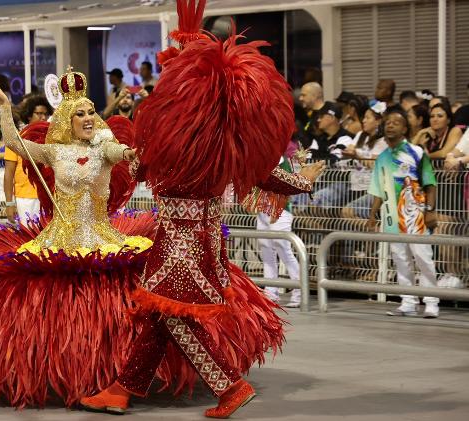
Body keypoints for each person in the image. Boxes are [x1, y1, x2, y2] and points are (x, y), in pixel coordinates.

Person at [81, 1, 324, 417]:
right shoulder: (220, 148)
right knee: (160, 318)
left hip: (179, 250)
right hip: (202, 246)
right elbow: (265, 175)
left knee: (175, 318)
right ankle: (122, 389)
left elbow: (133, 166)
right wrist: (303, 181)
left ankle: (229, 386)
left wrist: (104, 149)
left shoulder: (170, 145)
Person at [0, 70, 158, 408]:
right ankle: (63, 368)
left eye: (91, 112)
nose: (89, 118)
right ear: (67, 120)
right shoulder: (55, 153)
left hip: (101, 237)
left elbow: (121, 152)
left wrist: (130, 154)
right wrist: (4, 107)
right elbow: (15, 144)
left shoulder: (105, 148)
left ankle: (112, 369)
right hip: (60, 238)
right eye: (80, 114)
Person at [367, 108, 440, 318]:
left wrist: (430, 211)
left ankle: (431, 301)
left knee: (423, 257)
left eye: (395, 122)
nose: (390, 125)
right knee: (400, 259)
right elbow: (378, 189)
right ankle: (408, 301)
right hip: (391, 216)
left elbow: (430, 183)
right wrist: (372, 215)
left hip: (416, 214)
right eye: (387, 122)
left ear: (405, 128)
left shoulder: (416, 152)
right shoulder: (381, 157)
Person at [257, 154, 305, 308]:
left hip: (280, 211)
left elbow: (287, 187)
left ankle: (299, 292)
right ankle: (271, 293)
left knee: (284, 250)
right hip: (262, 210)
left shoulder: (280, 159)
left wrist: (277, 209)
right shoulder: (257, 158)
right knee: (266, 252)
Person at [3, 95, 49, 224]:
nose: (43, 117)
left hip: (48, 197)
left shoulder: (51, 139)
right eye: (39, 114)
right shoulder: (17, 140)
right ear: (29, 115)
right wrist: (9, 202)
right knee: (28, 242)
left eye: (45, 114)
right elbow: (8, 174)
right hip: (25, 198)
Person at [297, 81, 325, 152]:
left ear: (315, 96)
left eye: (304, 95)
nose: (300, 98)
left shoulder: (325, 115)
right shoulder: (312, 114)